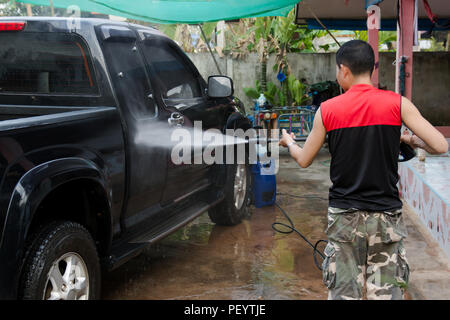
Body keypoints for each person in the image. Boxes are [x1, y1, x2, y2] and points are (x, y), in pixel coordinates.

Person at [278, 40, 448, 300]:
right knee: (385, 294)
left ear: (344, 70)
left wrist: (289, 142)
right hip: (386, 216)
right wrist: (410, 139)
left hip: (345, 217)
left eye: (337, 71)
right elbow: (439, 145)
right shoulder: (397, 104)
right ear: (370, 69)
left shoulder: (327, 111)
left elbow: (303, 160)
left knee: (345, 294)